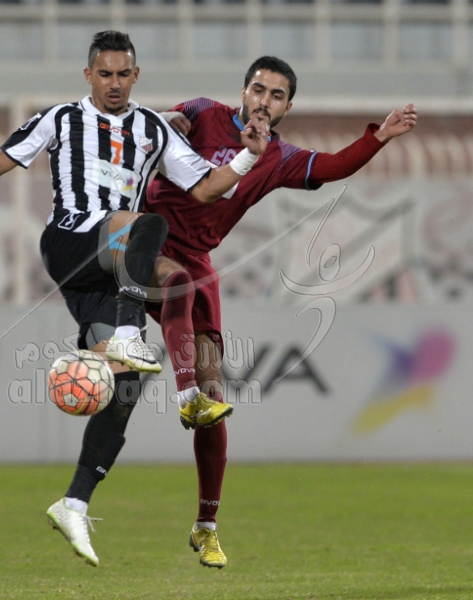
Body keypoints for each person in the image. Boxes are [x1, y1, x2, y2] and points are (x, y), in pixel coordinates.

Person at [0, 31, 269, 567]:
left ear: (136, 75)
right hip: (71, 241)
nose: (114, 83)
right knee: (148, 224)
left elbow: (204, 187)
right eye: (104, 74)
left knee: (132, 373)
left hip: (108, 273)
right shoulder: (60, 119)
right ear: (88, 76)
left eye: (123, 74)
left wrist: (247, 158)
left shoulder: (152, 128)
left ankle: (75, 501)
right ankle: (130, 334)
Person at [142, 55, 418, 568]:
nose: (263, 100)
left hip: (198, 259)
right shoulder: (201, 112)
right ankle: (181, 394)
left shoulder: (278, 157)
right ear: (242, 92)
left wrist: (380, 137)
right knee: (175, 289)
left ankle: (206, 526)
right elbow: (152, 128)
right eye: (257, 89)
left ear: (288, 107)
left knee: (215, 393)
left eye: (275, 95)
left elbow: (332, 167)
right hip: (146, 240)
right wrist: (168, 119)